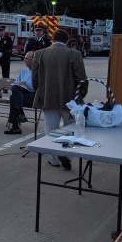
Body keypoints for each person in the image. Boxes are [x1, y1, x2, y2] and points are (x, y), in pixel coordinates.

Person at [32, 29, 87, 169]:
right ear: (67, 40)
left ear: (51, 39)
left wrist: (40, 92)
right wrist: (81, 96)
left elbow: (35, 78)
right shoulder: (74, 54)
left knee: (51, 129)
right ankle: (67, 154)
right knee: (72, 129)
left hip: (48, 98)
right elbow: (81, 78)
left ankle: (53, 158)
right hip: (69, 100)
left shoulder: (39, 54)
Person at [4, 51, 36, 135]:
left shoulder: (38, 72)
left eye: (27, 58)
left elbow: (35, 88)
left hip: (32, 96)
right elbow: (16, 83)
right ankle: (20, 113)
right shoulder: (24, 71)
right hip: (21, 95)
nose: (24, 60)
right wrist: (20, 84)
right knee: (14, 91)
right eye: (24, 58)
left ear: (34, 60)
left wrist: (25, 83)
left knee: (13, 98)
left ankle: (16, 126)